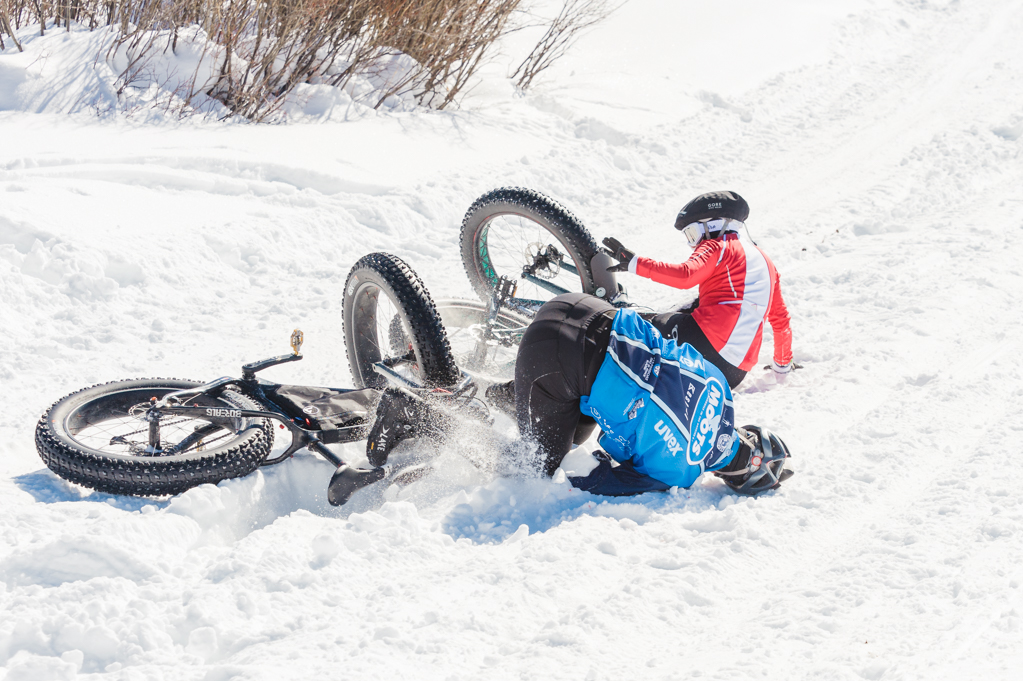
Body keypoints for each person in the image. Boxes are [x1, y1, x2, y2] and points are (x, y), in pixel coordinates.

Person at [360, 292, 793, 499]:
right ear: (727, 478)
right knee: (533, 468)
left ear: (749, 434)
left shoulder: (719, 384)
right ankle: (415, 410)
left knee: (577, 409)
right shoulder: (677, 474)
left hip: (583, 309)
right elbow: (587, 479)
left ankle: (502, 392)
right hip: (555, 363)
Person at [603, 190, 795, 389]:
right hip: (733, 374)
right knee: (687, 310)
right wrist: (782, 367)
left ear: (714, 224)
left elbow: (685, 275)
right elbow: (780, 320)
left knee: (646, 327)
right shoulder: (768, 263)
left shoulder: (717, 245)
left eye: (692, 234)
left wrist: (635, 263)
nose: (693, 244)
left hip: (704, 348)